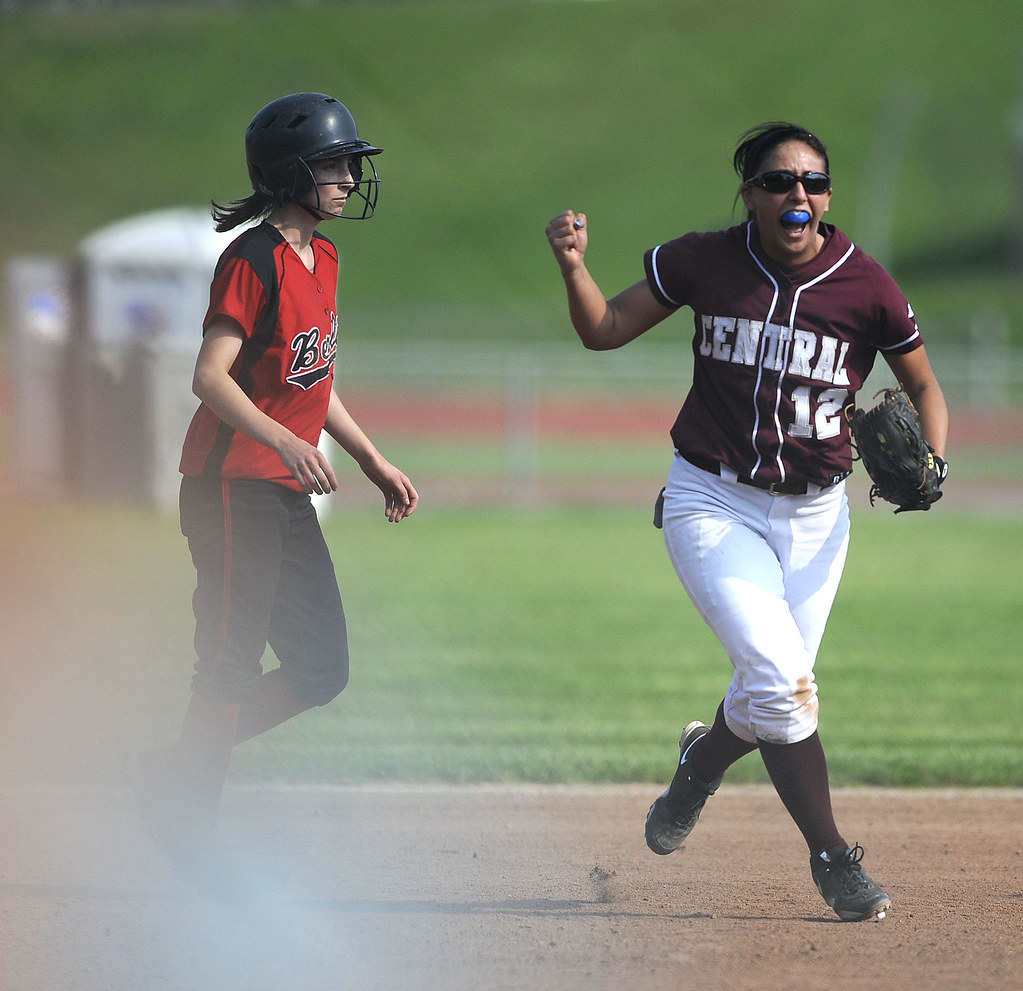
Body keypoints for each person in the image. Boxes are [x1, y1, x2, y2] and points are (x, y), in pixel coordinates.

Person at [545, 122, 948, 922]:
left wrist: (931, 462)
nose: (797, 195)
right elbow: (603, 330)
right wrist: (574, 268)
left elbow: (925, 388)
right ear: (748, 193)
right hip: (712, 500)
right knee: (784, 687)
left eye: (812, 182)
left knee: (770, 696)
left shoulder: (863, 284)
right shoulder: (705, 260)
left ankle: (699, 760)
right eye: (777, 182)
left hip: (816, 517)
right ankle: (833, 859)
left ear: (826, 196)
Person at [129, 92, 418, 891]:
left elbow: (313, 378)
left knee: (321, 667)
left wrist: (367, 456)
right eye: (333, 163)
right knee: (225, 663)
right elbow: (209, 376)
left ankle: (175, 767)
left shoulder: (322, 258)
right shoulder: (250, 259)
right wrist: (287, 439)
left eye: (348, 163)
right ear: (288, 173)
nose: (348, 175)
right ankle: (187, 823)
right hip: (230, 488)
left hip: (279, 492)